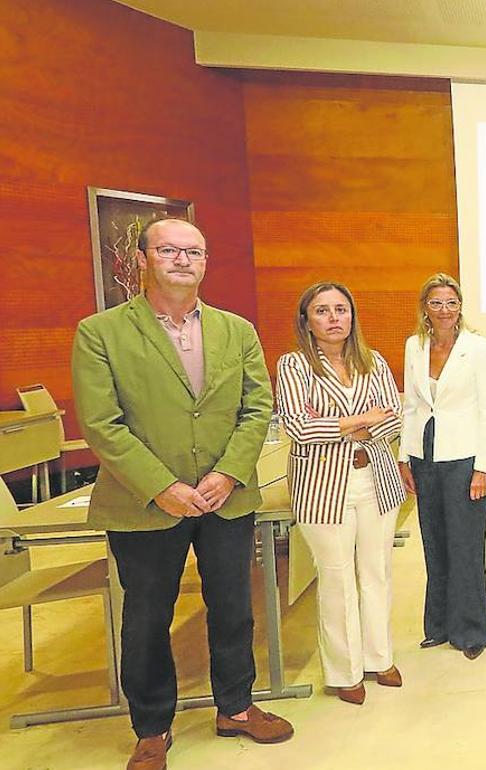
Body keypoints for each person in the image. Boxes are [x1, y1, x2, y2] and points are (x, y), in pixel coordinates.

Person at [71, 218, 293, 770]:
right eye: (168, 250)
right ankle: (151, 727)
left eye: (193, 250)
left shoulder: (236, 330)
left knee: (234, 608)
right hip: (145, 504)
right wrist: (162, 486)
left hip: (225, 498)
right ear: (143, 258)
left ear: (205, 261)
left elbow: (257, 408)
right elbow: (102, 424)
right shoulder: (100, 333)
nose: (181, 259)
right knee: (147, 616)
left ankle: (236, 707)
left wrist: (229, 473)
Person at [274, 282, 406, 704]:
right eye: (322, 311)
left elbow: (393, 419)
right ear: (307, 321)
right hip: (322, 488)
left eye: (341, 310)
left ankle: (379, 657)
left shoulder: (373, 361)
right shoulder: (294, 366)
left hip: (376, 481)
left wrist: (342, 422)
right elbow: (296, 427)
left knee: (376, 571)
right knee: (335, 577)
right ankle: (344, 671)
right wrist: (361, 419)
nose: (334, 319)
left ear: (352, 316)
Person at [399, 274, 486, 659]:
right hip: (425, 453)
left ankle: (471, 630)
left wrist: (483, 468)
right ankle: (438, 625)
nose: (444, 310)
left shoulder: (478, 348)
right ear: (425, 307)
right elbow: (412, 404)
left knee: (466, 543)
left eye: (451, 303)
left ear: (461, 307)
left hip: (464, 456)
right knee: (434, 540)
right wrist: (405, 457)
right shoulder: (415, 345)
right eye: (437, 302)